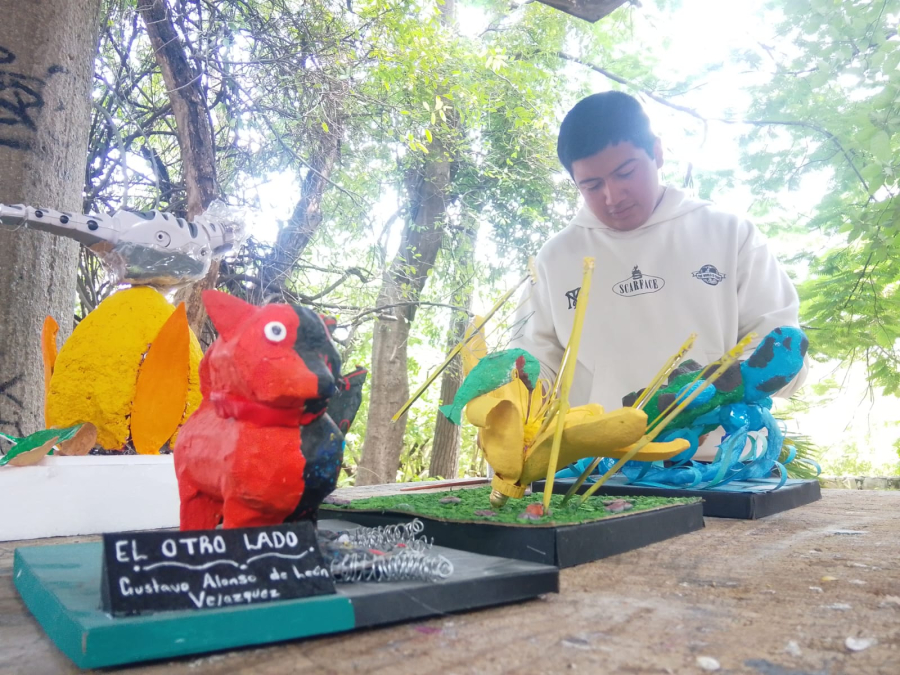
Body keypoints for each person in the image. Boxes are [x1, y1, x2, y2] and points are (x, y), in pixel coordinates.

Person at [509, 91, 807, 461]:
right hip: (597, 468)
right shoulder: (556, 259)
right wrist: (512, 404)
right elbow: (533, 361)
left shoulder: (729, 234)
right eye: (591, 185)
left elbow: (778, 343)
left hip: (717, 461)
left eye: (626, 173)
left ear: (657, 152)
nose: (612, 196)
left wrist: (710, 401)